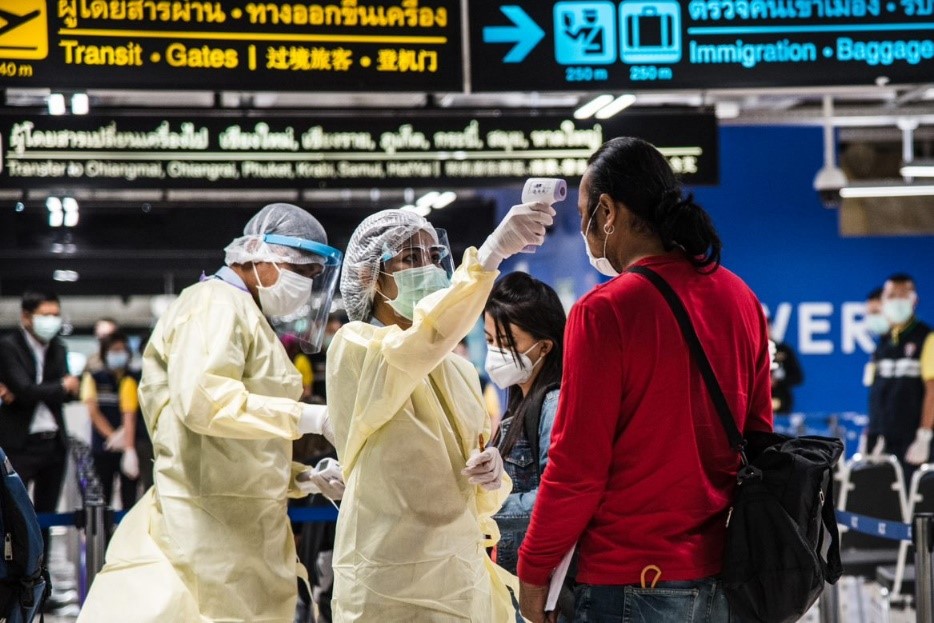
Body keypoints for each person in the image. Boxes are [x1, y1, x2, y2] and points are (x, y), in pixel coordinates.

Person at [517, 137, 773, 623]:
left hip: (629, 580)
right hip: (724, 578)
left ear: (607, 212)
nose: (586, 232)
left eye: (585, 215)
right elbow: (759, 436)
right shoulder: (740, 299)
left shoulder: (604, 311)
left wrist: (533, 569)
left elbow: (577, 468)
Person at [77, 203, 345, 622]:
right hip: (208, 532)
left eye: (313, 275)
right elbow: (206, 404)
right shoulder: (213, 304)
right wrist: (311, 418)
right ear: (258, 253)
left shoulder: (245, 312)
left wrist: (303, 478)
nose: (306, 284)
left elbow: (235, 449)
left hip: (239, 528)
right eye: (301, 270)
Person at [327, 203, 554, 621]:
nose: (429, 269)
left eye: (434, 256)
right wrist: (490, 255)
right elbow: (417, 345)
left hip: (461, 583)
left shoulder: (459, 370)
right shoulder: (356, 347)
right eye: (411, 258)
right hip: (387, 589)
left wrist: (492, 473)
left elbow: (471, 487)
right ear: (367, 276)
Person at [483, 272, 569, 619]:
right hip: (513, 579)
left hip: (538, 590)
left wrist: (482, 511)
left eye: (507, 342)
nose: (495, 352)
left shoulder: (553, 404)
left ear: (544, 346)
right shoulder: (518, 404)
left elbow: (554, 499)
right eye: (490, 339)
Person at [0, 291, 79, 565]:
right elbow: (24, 390)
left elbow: (68, 395)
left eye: (55, 315)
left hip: (54, 443)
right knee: (13, 515)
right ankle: (15, 577)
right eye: (45, 315)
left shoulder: (59, 348)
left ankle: (40, 576)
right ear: (26, 317)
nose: (51, 320)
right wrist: (60, 386)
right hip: (19, 444)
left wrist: (43, 390)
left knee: (47, 516)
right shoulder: (8, 347)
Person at [866, 274, 934, 475]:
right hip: (884, 440)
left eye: (902, 295)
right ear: (883, 301)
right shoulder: (883, 345)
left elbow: (932, 390)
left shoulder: (927, 337)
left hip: (913, 441)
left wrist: (924, 435)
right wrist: (872, 432)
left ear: (914, 300)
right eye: (891, 295)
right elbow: (877, 394)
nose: (896, 301)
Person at [80, 331, 142, 509]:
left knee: (129, 498)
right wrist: (113, 437)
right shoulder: (94, 378)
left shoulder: (134, 378)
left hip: (130, 444)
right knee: (102, 496)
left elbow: (131, 412)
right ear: (104, 353)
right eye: (114, 350)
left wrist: (126, 441)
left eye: (123, 350)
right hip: (103, 446)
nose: (119, 354)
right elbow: (93, 411)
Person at [767, 316, 803, 414]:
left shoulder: (783, 350)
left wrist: (777, 381)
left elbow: (797, 377)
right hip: (757, 400)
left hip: (781, 400)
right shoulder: (750, 351)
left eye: (766, 326)